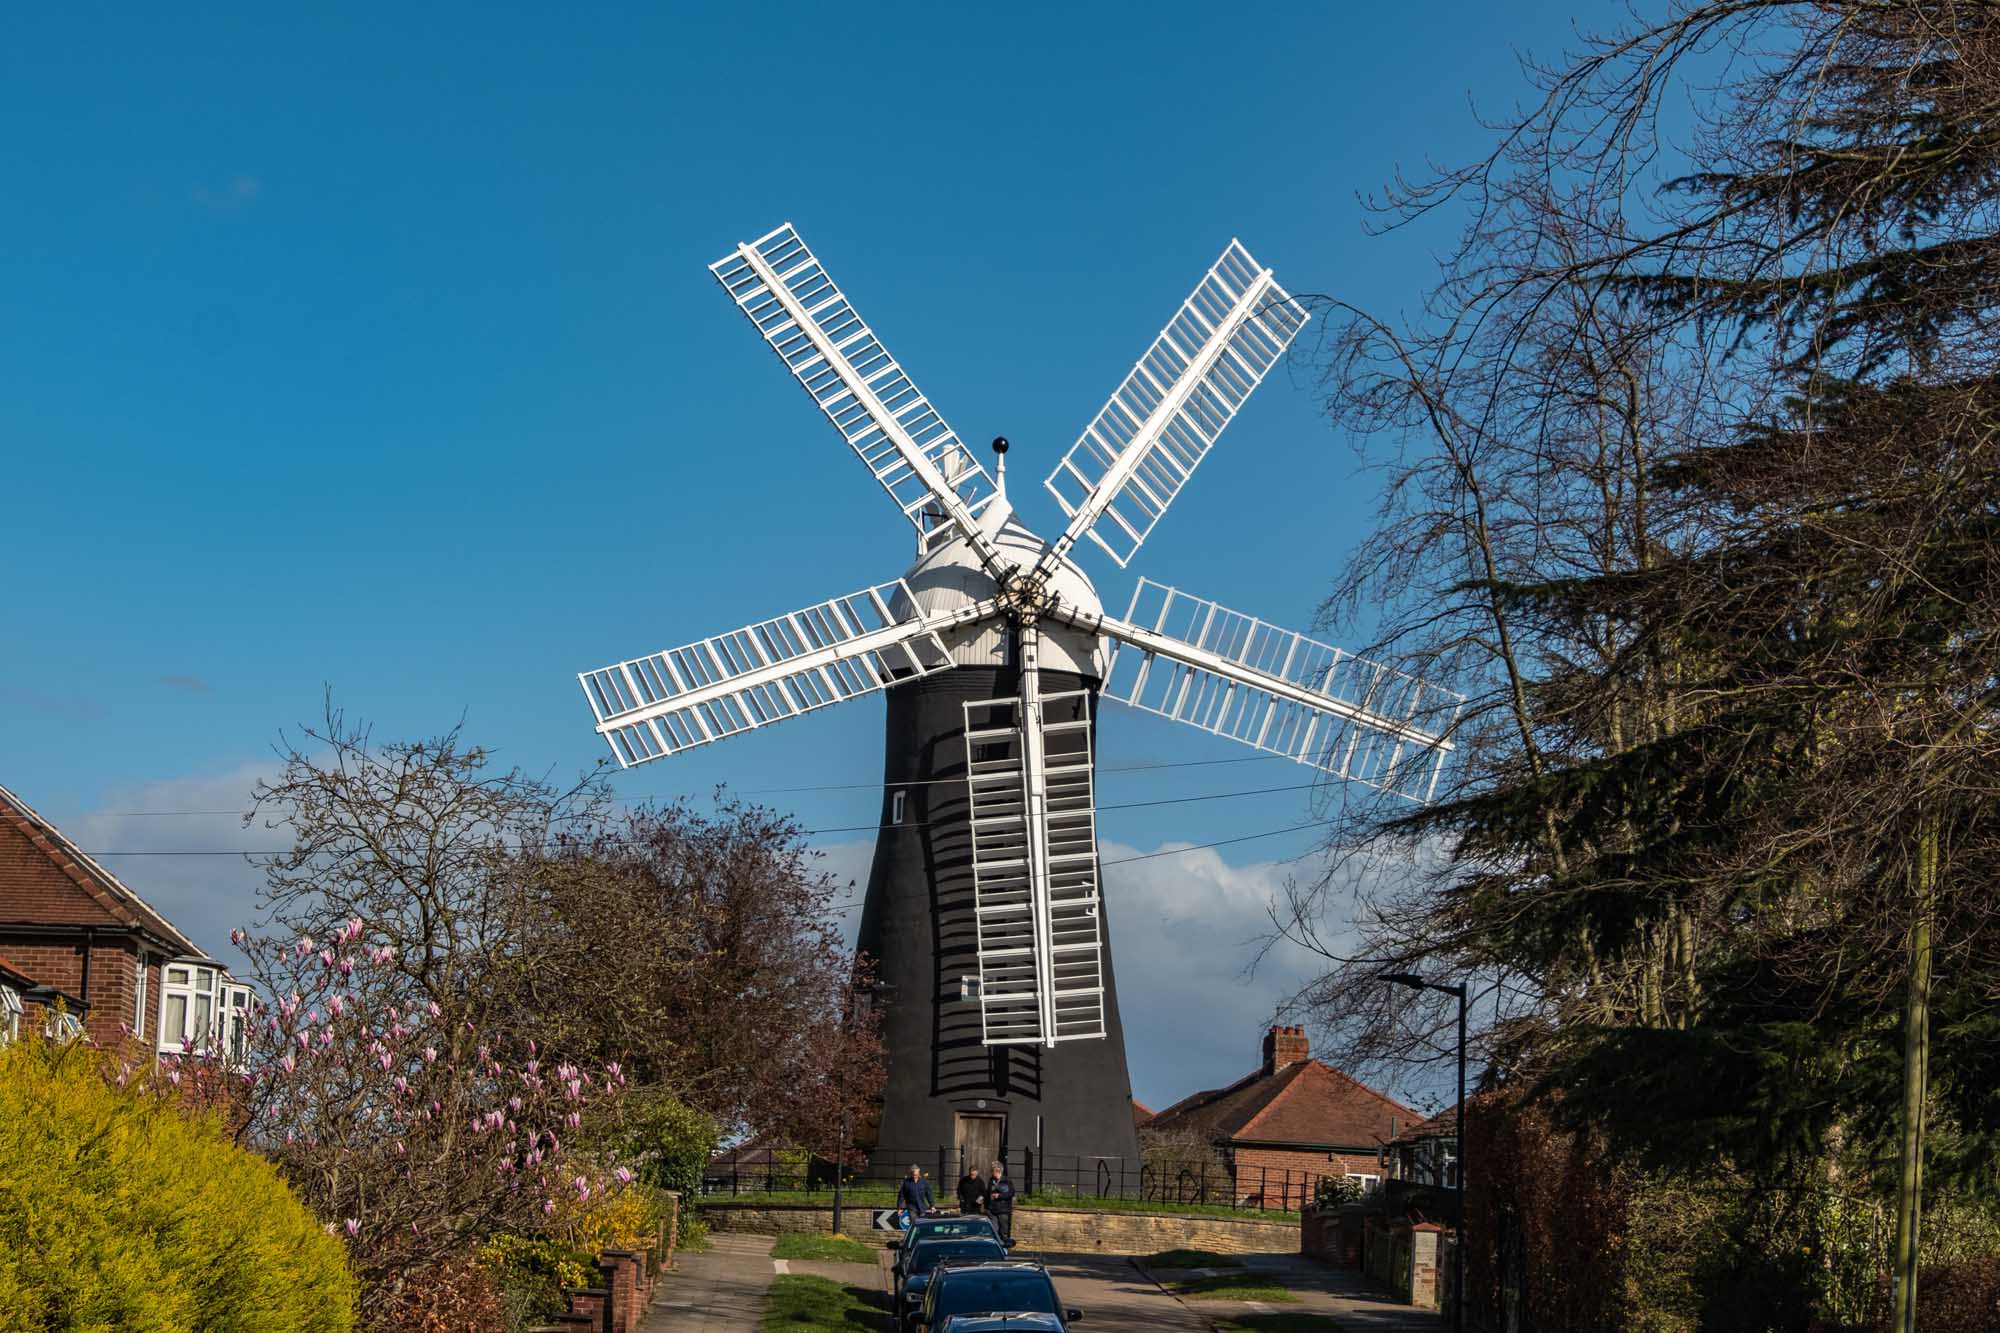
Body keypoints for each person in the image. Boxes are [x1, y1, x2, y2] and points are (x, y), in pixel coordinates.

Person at [983, 1160, 1015, 1246]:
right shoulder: (991, 1180)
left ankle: (1005, 1246)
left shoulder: (1007, 1181)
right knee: (994, 1228)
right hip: (992, 1210)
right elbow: (988, 1193)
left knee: (1003, 1230)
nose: (991, 1172)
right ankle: (996, 1245)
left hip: (1003, 1210)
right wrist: (986, 1205)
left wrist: (999, 1195)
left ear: (998, 1171)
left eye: (992, 1171)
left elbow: (1011, 1193)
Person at [896, 1163, 936, 1230]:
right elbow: (902, 1195)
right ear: (911, 1173)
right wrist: (899, 1208)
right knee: (914, 1224)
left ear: (919, 1172)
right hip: (911, 1207)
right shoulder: (906, 1183)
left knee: (922, 1225)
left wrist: (932, 1205)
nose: (915, 1176)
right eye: (914, 1175)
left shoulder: (924, 1182)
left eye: (916, 1174)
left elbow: (929, 1194)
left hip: (922, 1207)